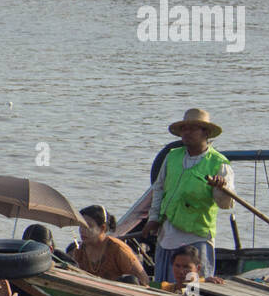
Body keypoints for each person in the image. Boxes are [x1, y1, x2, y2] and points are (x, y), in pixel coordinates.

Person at [142, 108, 234, 286]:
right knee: (165, 287)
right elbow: (159, 189)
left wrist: (220, 187)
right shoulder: (172, 157)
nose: (186, 133)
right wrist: (153, 218)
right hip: (168, 233)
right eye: (184, 129)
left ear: (205, 133)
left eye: (192, 129)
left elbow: (225, 204)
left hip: (196, 236)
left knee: (192, 289)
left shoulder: (219, 163)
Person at [69, 205, 149, 284]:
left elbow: (143, 280)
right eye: (81, 226)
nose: (82, 231)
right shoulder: (80, 250)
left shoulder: (117, 249)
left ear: (102, 228)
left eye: (88, 226)